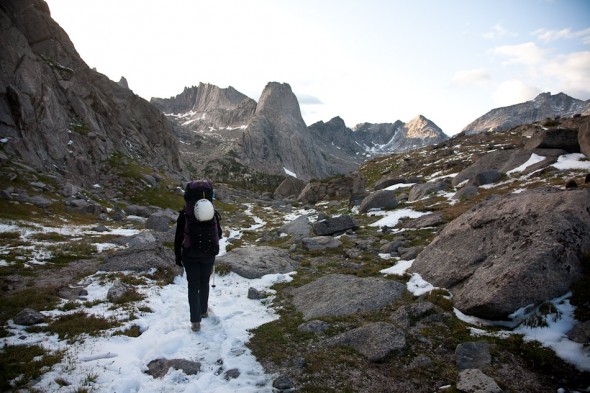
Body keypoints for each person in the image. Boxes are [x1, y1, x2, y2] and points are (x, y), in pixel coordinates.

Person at [174, 179, 222, 332]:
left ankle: (195, 322)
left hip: (190, 255)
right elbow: (219, 233)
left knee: (193, 286)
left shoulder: (185, 215)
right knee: (204, 282)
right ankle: (203, 310)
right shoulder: (212, 214)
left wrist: (177, 256)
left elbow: (178, 237)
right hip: (208, 254)